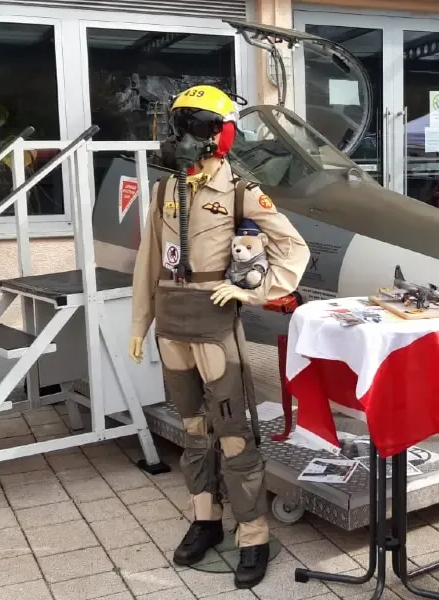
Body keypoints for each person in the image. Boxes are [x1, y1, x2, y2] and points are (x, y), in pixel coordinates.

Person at [128, 85, 310, 588]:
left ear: (219, 135)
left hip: (213, 322)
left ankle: (252, 533)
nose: (182, 137)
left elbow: (293, 249)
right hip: (171, 324)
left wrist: (252, 292)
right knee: (192, 431)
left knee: (233, 435)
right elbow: (148, 263)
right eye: (179, 125)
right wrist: (139, 323)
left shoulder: (241, 191)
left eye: (194, 126)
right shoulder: (166, 190)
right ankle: (205, 519)